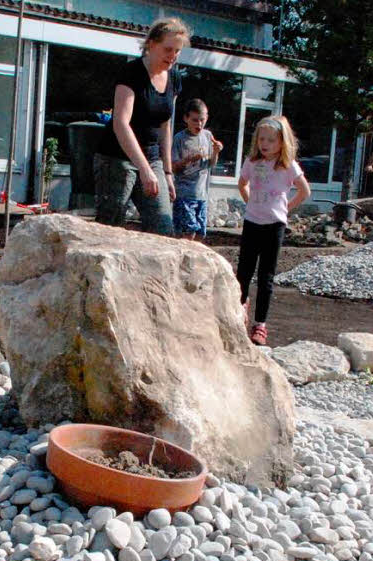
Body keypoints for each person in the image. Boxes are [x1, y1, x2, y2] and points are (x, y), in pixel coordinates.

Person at [94, 18, 190, 235]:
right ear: (151, 44)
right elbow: (120, 123)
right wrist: (144, 169)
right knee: (109, 230)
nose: (172, 56)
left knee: (163, 230)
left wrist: (167, 172)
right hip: (116, 159)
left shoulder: (174, 78)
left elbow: (165, 124)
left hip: (153, 157)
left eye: (177, 51)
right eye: (168, 49)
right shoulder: (131, 72)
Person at [236, 115, 311, 346]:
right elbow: (242, 183)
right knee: (244, 272)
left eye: (271, 140)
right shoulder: (252, 161)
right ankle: (239, 309)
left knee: (266, 276)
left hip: (274, 226)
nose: (265, 144)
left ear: (282, 142)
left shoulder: (287, 166)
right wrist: (250, 202)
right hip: (252, 222)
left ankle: (260, 324)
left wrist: (285, 209)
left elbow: (304, 191)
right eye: (261, 139)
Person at [171, 98, 224, 240]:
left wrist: (216, 152)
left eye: (202, 120)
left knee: (200, 234)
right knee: (188, 233)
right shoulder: (179, 139)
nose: (199, 124)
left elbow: (211, 164)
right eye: (195, 120)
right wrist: (189, 159)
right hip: (184, 195)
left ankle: (195, 262)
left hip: (202, 194)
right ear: (186, 118)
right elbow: (173, 167)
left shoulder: (207, 136)